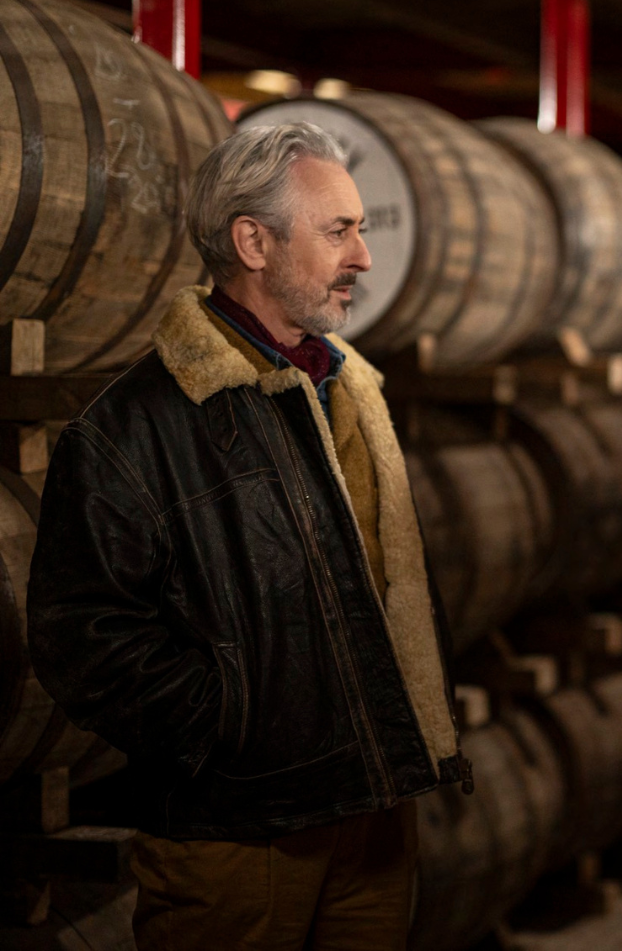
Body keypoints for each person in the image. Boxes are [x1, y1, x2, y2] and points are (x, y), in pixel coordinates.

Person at [27, 122, 472, 950]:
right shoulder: (137, 426)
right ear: (252, 241)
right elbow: (79, 635)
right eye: (338, 231)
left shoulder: (349, 390)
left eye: (361, 230)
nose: (363, 258)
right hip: (239, 830)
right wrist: (231, 727)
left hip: (373, 812)